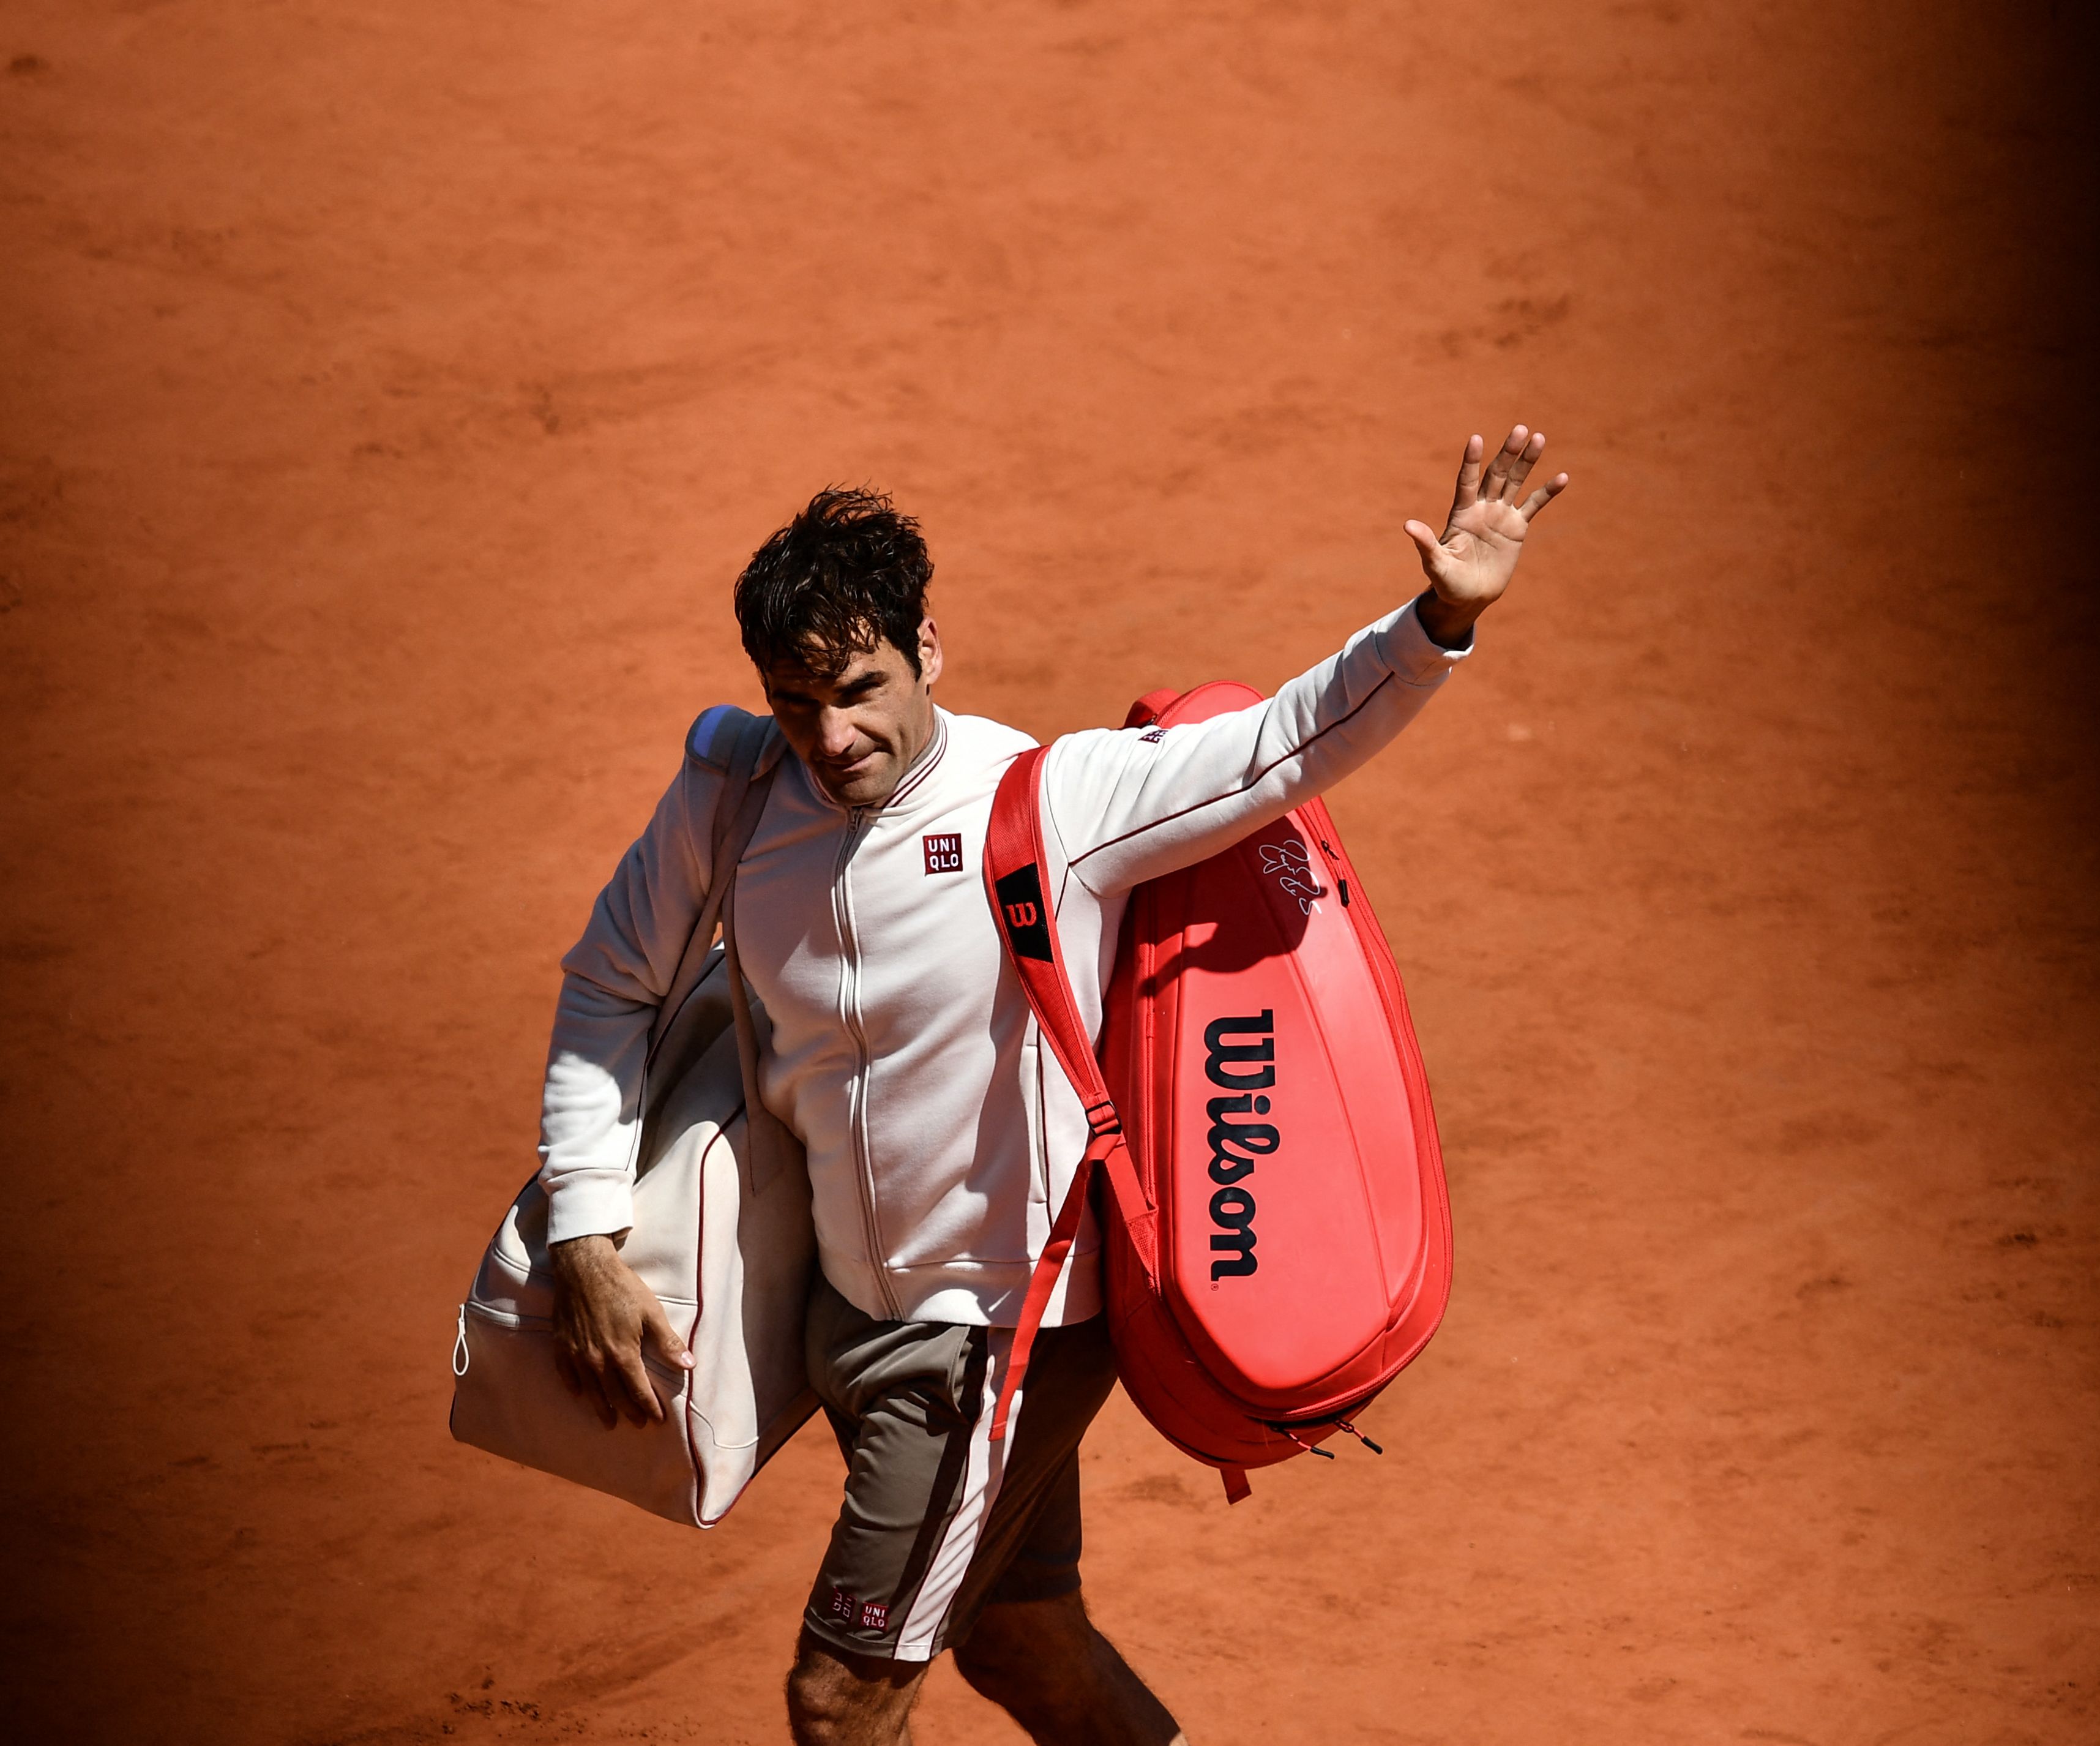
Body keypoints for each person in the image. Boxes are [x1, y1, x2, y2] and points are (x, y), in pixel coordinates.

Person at [537, 427, 1568, 1745]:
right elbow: (610, 983)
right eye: (798, 703)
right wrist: (580, 1227)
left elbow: (1285, 744)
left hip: (990, 1344)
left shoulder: (1054, 804)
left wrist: (1439, 621)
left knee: (842, 1704)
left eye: (860, 688)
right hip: (846, 1323)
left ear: (929, 651)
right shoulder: (736, 800)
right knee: (1024, 1643)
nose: (832, 735)